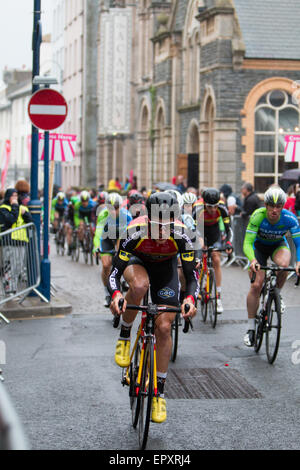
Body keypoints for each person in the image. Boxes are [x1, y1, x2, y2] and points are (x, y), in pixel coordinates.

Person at [109, 192, 198, 423]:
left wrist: (190, 299)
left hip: (165, 269)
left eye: (166, 226)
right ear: (148, 219)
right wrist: (117, 294)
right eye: (157, 225)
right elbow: (115, 272)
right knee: (139, 286)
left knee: (165, 327)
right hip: (137, 262)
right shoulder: (134, 231)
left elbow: (191, 276)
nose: (161, 232)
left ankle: (159, 393)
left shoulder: (182, 235)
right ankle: (125, 336)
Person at [243, 186, 300, 347]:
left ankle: (277, 293)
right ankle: (251, 328)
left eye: (278, 206)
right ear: (266, 205)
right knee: (256, 285)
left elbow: (298, 244)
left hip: (277, 246)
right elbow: (247, 243)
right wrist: (253, 260)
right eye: (271, 206)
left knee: (284, 265)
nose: (274, 210)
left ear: (282, 207)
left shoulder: (290, 218)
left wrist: (299, 262)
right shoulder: (257, 216)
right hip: (258, 249)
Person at [193, 188, 233, 313]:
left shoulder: (222, 207)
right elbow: (193, 229)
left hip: (214, 231)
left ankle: (218, 297)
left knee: (216, 257)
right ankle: (196, 284)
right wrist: (200, 241)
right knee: (199, 255)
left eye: (215, 206)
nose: (213, 210)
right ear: (205, 204)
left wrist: (228, 243)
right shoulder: (197, 208)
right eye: (210, 207)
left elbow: (228, 229)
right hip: (200, 229)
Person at [93, 192, 132, 307]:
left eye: (116, 208)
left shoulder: (127, 215)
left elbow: (130, 235)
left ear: (121, 206)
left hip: (121, 237)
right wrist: (96, 247)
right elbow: (98, 234)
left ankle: (124, 277)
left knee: (122, 250)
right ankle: (107, 294)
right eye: (110, 208)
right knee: (106, 265)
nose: (113, 211)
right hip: (107, 238)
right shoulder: (103, 215)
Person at [0, 188, 33, 293]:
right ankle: (8, 288)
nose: (15, 198)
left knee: (18, 266)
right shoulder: (3, 208)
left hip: (21, 240)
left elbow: (30, 221)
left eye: (16, 196)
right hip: (9, 241)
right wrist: (14, 206)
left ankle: (13, 289)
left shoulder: (22, 208)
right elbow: (10, 220)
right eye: (12, 196)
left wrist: (25, 214)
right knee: (9, 266)